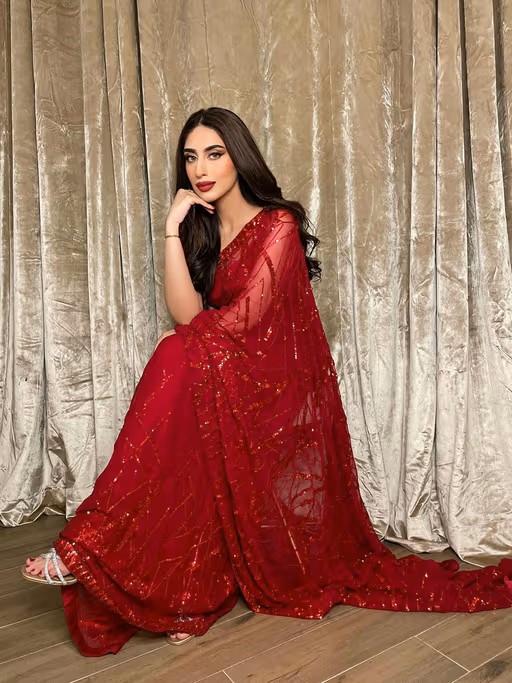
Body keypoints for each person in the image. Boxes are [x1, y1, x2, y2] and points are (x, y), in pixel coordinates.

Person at [22, 107, 512, 657]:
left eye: (214, 154)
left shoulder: (278, 225)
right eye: (191, 157)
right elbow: (187, 313)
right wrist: (172, 227)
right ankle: (181, 593)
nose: (201, 169)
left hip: (273, 393)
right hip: (227, 375)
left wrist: (182, 344)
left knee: (175, 356)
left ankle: (91, 545)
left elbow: (246, 323)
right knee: (181, 410)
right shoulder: (204, 228)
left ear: (239, 157)